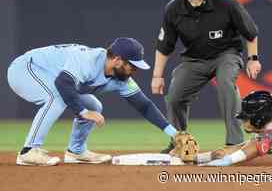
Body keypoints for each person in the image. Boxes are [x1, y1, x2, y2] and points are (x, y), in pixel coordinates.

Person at [7, 37, 179, 166]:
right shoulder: (88, 60)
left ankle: (76, 151)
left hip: (53, 79)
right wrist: (82, 112)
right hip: (25, 69)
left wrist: (175, 134)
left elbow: (144, 106)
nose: (134, 70)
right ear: (117, 60)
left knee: (94, 105)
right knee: (58, 97)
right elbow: (63, 83)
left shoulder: (122, 78)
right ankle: (28, 151)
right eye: (131, 65)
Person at [151, 0, 262, 153]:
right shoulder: (174, 9)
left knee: (226, 83)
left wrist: (253, 59)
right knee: (175, 96)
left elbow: (250, 33)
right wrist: (156, 76)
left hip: (226, 54)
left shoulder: (226, 3)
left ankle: (235, 142)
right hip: (195, 59)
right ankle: (179, 141)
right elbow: (164, 47)